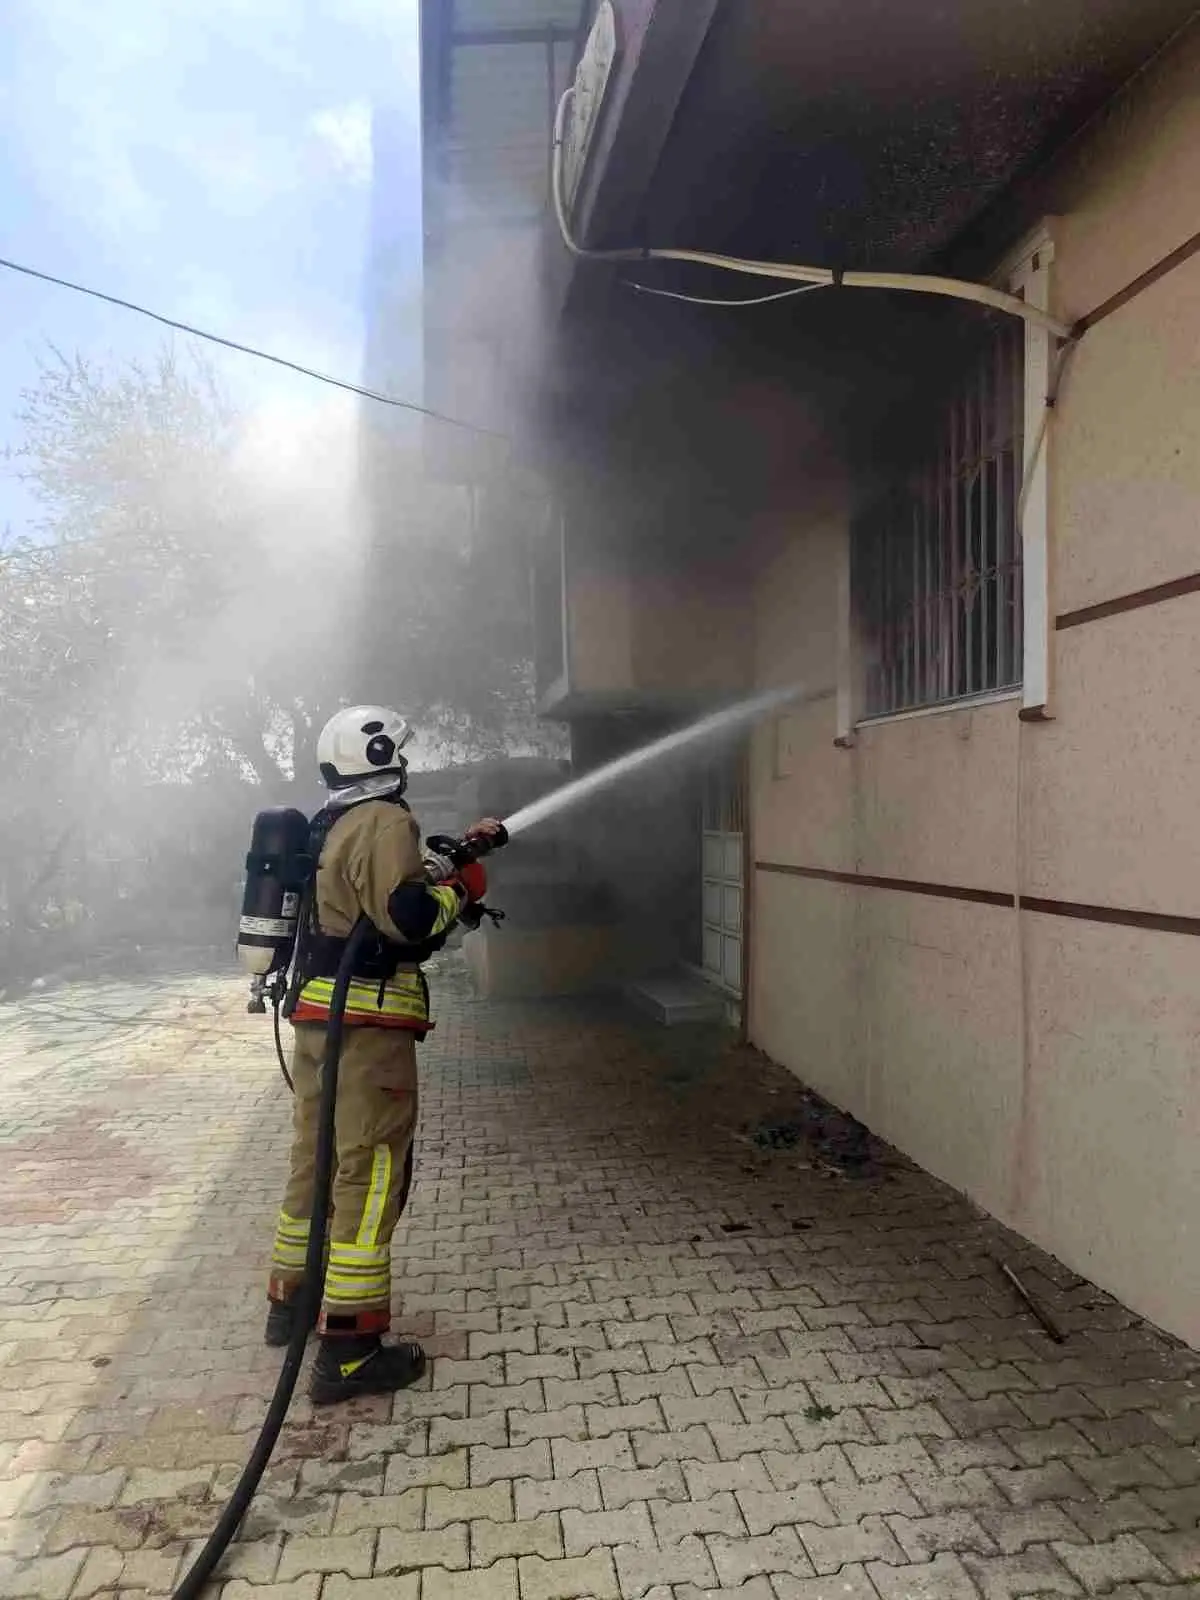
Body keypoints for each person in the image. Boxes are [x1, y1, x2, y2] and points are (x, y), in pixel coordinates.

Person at [263, 704, 500, 1405]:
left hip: (315, 1019)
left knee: (316, 1158)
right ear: (382, 756)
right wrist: (460, 889)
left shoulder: (330, 820)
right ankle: (351, 1350)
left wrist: (455, 855)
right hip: (368, 1026)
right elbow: (408, 918)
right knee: (371, 1172)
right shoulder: (387, 819)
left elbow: (363, 895)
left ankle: (292, 1303)